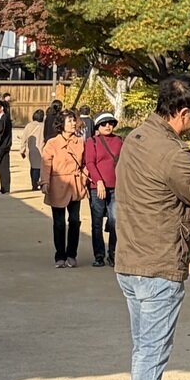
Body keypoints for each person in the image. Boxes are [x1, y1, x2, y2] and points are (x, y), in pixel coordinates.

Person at [114, 75, 190, 380]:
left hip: (129, 260)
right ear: (183, 113)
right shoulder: (174, 154)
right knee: (151, 355)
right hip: (159, 263)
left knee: (143, 351)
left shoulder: (135, 138)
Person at [41, 109, 88, 268]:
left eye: (74, 121)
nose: (73, 124)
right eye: (69, 121)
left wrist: (84, 177)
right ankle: (60, 255)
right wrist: (45, 182)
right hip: (57, 184)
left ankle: (72, 254)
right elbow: (46, 164)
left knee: (74, 221)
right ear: (61, 124)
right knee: (59, 222)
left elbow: (84, 163)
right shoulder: (52, 143)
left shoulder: (80, 141)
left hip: (75, 184)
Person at [84, 112, 124, 266]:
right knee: (97, 222)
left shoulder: (119, 141)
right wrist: (98, 181)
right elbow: (90, 163)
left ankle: (113, 254)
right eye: (104, 124)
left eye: (111, 123)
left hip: (116, 187)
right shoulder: (92, 141)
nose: (108, 126)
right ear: (97, 126)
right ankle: (98, 255)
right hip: (97, 187)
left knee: (115, 221)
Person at [18, 109, 47, 190]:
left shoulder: (29, 125)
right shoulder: (43, 126)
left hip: (31, 149)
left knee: (33, 167)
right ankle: (39, 183)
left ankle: (34, 184)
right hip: (41, 148)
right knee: (40, 168)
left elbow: (24, 138)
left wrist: (22, 150)